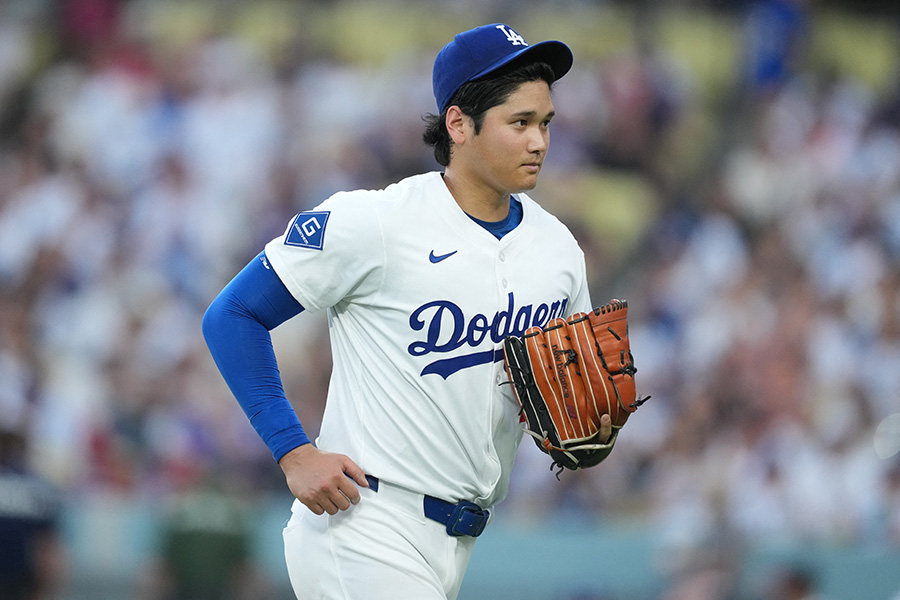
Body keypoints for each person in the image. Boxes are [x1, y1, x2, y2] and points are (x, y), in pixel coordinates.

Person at [202, 23, 615, 599]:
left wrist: (586, 432)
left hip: (458, 541)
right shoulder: (375, 222)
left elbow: (575, 413)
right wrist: (293, 450)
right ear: (458, 124)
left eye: (545, 123)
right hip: (365, 523)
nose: (539, 142)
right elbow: (232, 315)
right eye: (519, 123)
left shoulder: (557, 250)